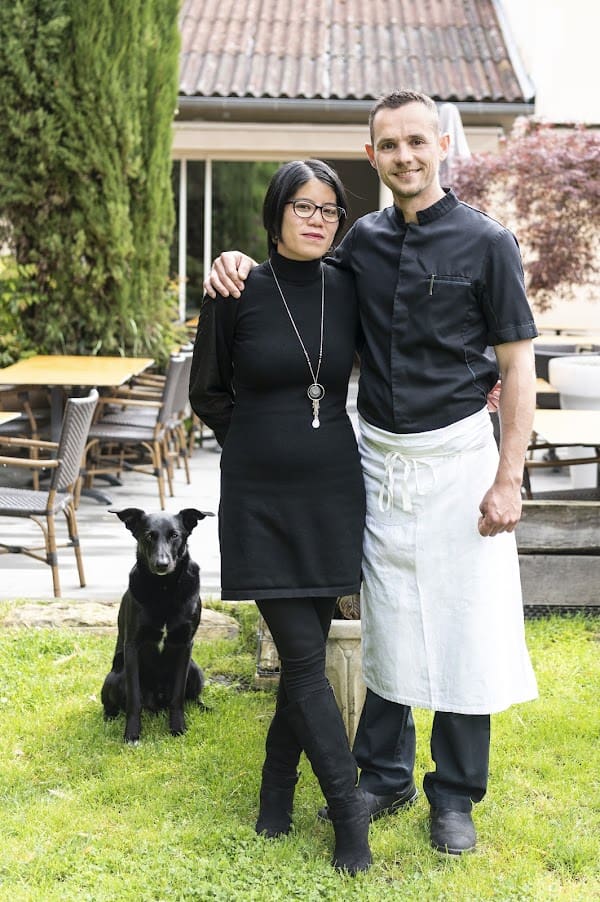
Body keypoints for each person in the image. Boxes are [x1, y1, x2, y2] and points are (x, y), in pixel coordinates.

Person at [202, 90, 539, 857]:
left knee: (460, 624)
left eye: (417, 141)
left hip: (458, 457)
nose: (405, 157)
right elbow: (291, 278)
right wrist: (233, 262)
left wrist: (509, 475)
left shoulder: (489, 243)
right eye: (390, 146)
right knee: (388, 621)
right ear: (373, 157)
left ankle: (453, 795)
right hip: (377, 460)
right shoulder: (361, 244)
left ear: (443, 144)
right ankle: (381, 774)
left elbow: (517, 367)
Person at [189, 159, 372, 874]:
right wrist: (260, 443)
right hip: (260, 499)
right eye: (304, 206)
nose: (319, 219)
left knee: (305, 655)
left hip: (332, 493)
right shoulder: (238, 288)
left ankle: (275, 795)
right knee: (302, 658)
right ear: (276, 214)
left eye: (330, 209)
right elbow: (208, 391)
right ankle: (348, 806)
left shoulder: (347, 286)